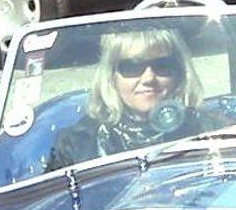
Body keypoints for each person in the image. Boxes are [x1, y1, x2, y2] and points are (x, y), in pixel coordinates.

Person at [46, 27, 212, 169]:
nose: (148, 78)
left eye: (162, 65)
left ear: (179, 73)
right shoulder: (78, 144)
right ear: (111, 76)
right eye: (132, 66)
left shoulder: (207, 130)